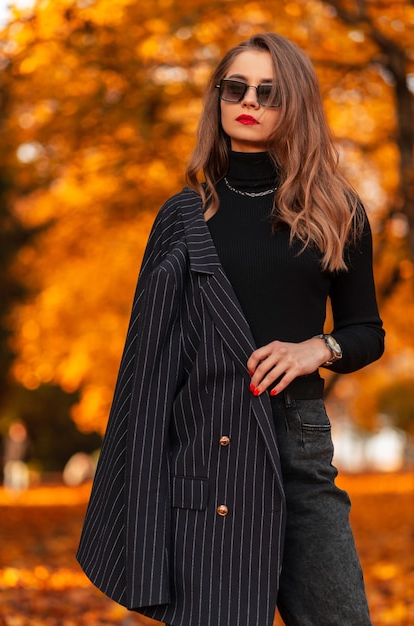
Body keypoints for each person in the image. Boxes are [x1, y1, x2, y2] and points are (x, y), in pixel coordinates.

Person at [77, 33, 384, 626]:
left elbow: (366, 330)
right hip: (204, 449)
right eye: (235, 87)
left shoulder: (337, 210)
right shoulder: (184, 215)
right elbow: (147, 369)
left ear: (294, 104)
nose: (250, 101)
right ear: (216, 98)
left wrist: (314, 350)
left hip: (298, 445)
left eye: (269, 92)